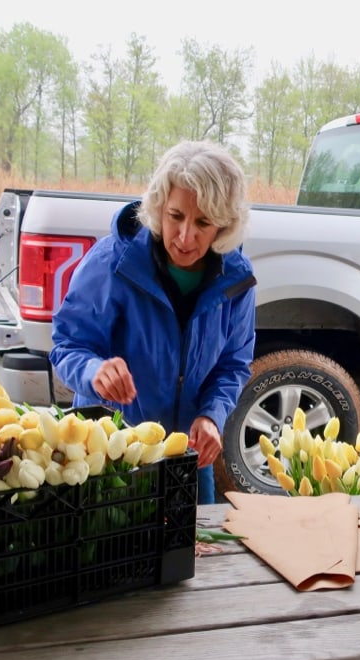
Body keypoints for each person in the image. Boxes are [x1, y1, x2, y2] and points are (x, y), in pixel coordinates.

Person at [49, 140, 256, 505]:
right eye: (176, 216)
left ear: (224, 226)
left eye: (203, 223)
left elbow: (232, 365)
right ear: (159, 207)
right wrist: (95, 370)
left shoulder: (236, 281)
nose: (185, 236)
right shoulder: (111, 263)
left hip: (185, 454)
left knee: (192, 554)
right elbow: (67, 345)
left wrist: (211, 416)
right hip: (107, 452)